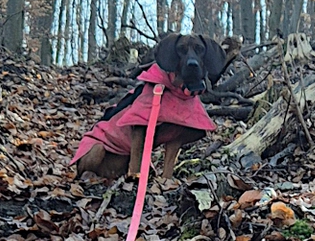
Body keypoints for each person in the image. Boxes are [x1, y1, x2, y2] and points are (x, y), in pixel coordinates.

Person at [73, 33, 229, 185]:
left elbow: (175, 137)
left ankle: (165, 178)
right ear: (172, 56)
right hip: (104, 154)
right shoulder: (153, 92)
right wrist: (135, 175)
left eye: (199, 50)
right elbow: (138, 130)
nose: (192, 59)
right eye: (182, 51)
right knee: (97, 152)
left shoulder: (186, 99)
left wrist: (166, 181)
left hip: (122, 162)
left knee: (179, 130)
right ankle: (125, 178)